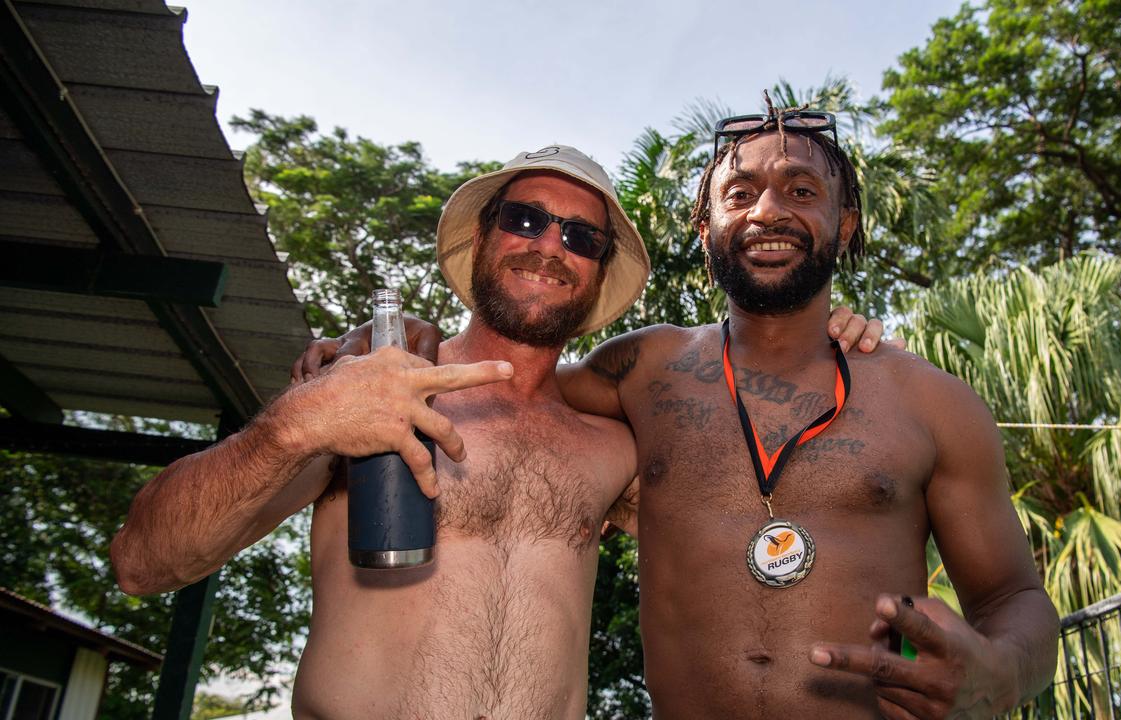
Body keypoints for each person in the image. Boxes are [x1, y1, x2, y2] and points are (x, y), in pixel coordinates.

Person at [312, 105, 1059, 717]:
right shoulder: (645, 371)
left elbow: (1013, 597)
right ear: (706, 229)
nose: (769, 210)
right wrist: (398, 348)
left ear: (847, 223)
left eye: (802, 190)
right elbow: (509, 381)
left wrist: (1002, 670)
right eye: (739, 194)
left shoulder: (930, 401)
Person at [111, 144, 888, 719]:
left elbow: (778, 550)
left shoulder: (613, 447)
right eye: (526, 220)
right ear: (481, 238)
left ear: (596, 275)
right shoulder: (369, 398)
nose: (550, 246)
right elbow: (143, 561)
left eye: (581, 238)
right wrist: (292, 428)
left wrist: (817, 336)